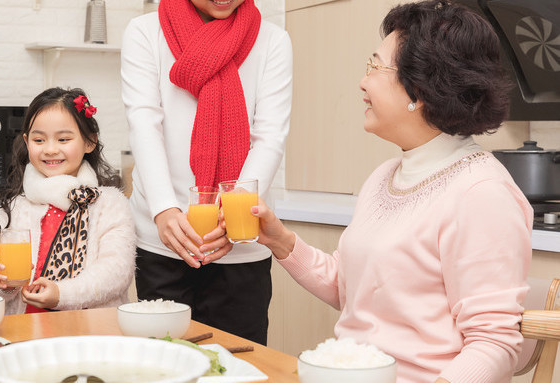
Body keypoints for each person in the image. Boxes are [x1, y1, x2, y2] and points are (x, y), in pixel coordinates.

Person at [250, 1, 532, 381]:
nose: (363, 82)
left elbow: (493, 343)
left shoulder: (481, 192)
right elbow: (354, 289)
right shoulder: (385, 176)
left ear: (421, 88)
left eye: (376, 67)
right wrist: (281, 241)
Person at [120, 0, 292, 344]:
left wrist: (236, 212)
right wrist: (164, 209)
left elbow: (270, 135)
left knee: (239, 363)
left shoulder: (273, 40)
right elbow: (144, 123)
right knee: (163, 365)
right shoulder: (145, 33)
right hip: (164, 240)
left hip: (240, 241)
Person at [0, 87, 136, 314]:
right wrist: (1, 283)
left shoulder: (109, 204)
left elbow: (116, 273)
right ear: (27, 141)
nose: (50, 149)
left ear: (90, 142)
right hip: (26, 331)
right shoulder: (16, 207)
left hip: (91, 335)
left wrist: (61, 295)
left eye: (63, 139)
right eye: (39, 139)